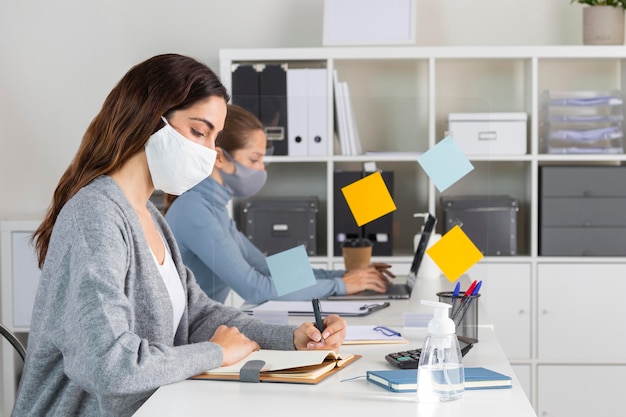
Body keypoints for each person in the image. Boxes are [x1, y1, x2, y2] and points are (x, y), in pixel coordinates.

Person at [12, 54, 346, 417]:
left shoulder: (153, 213)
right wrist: (339, 284)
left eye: (214, 139)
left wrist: (298, 332)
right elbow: (108, 364)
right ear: (148, 117)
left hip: (156, 402)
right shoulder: (101, 215)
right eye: (199, 133)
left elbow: (204, 310)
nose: (208, 153)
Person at [164, 104, 394, 305]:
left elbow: (268, 268)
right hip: (188, 343)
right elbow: (255, 289)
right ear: (219, 157)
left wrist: (346, 274)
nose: (262, 169)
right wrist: (340, 285)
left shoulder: (214, 209)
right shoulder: (195, 210)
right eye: (254, 159)